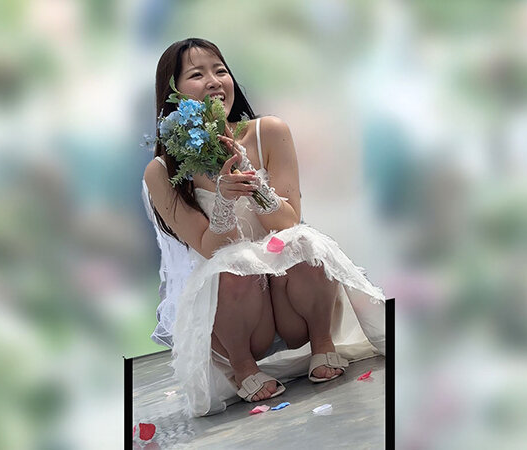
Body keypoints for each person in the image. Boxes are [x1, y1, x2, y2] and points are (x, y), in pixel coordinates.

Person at [141, 38, 387, 417]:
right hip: (237, 315)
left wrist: (252, 179)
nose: (214, 81)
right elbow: (208, 248)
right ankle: (243, 367)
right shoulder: (161, 172)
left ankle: (322, 342)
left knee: (302, 242)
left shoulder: (269, 132)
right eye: (197, 74)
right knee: (231, 264)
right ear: (173, 95)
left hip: (290, 302)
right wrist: (224, 198)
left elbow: (288, 220)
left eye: (220, 70)